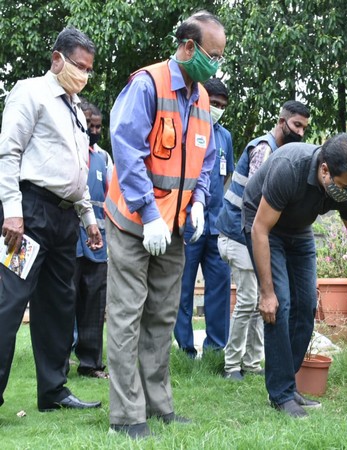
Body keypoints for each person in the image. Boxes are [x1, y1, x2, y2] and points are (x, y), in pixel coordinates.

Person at [104, 10, 225, 439]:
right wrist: (150, 214)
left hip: (174, 227)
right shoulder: (148, 85)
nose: (216, 65)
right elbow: (127, 149)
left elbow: (206, 161)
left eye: (221, 57)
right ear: (188, 47)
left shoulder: (203, 99)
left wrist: (199, 202)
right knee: (126, 315)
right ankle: (126, 416)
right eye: (212, 55)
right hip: (133, 222)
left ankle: (158, 405)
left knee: (161, 316)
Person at [242, 133, 347, 418]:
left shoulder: (345, 187)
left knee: (307, 305)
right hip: (264, 225)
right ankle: (281, 394)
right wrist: (266, 293)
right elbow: (260, 229)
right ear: (324, 170)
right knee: (279, 304)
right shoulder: (289, 167)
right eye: (345, 186)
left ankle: (287, 385)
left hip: (298, 229)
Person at [0, 27, 103, 412]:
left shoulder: (76, 109)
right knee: (10, 301)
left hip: (64, 220)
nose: (84, 75)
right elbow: (8, 153)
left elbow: (78, 170)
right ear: (57, 59)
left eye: (89, 69)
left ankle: (53, 391)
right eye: (79, 66)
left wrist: (88, 217)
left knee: (60, 304)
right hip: (30, 214)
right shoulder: (30, 93)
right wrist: (12, 212)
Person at [216, 100, 310, 380]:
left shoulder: (282, 152)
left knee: (263, 299)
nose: (301, 132)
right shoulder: (264, 149)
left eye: (304, 128)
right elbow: (257, 200)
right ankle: (231, 365)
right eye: (296, 125)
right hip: (237, 234)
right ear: (281, 122)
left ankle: (253, 362)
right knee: (248, 300)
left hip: (251, 236)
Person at [174, 78, 234, 358]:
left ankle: (215, 349)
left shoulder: (225, 137)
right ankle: (185, 349)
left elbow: (226, 175)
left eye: (222, 105)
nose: (217, 109)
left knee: (219, 288)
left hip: (217, 226)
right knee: (183, 288)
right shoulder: (187, 126)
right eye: (214, 103)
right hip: (188, 223)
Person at [71, 101, 112, 379]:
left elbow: (111, 196)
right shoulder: (69, 152)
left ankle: (91, 364)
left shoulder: (103, 158)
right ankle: (59, 361)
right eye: (89, 125)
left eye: (98, 126)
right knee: (65, 300)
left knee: (95, 304)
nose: (94, 131)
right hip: (70, 239)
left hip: (98, 243)